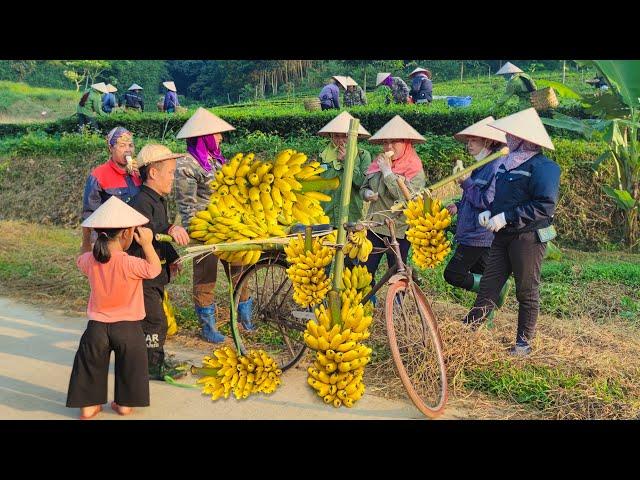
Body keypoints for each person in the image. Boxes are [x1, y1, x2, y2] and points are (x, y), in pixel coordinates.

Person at [463, 108, 561, 357]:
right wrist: (489, 211)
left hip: (527, 238)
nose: (507, 140)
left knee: (526, 291)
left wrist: (507, 216)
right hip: (503, 237)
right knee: (489, 286)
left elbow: (545, 206)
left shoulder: (544, 167)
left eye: (511, 136)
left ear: (524, 138)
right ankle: (466, 334)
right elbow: (501, 199)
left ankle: (523, 343)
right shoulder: (507, 164)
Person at [67, 196, 161, 419]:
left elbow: (81, 257)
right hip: (128, 329)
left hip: (96, 328)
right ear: (128, 234)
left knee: (89, 366)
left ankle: (89, 407)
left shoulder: (91, 260)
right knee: (131, 367)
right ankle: (124, 405)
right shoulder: (129, 263)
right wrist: (147, 244)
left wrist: (84, 239)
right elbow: (154, 270)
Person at [174, 107, 251, 341]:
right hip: (205, 228)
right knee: (206, 276)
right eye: (217, 134)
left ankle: (245, 320)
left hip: (227, 225)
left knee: (239, 269)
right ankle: (208, 327)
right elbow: (186, 204)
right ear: (204, 135)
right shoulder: (187, 164)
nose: (220, 138)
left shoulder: (216, 159)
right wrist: (196, 231)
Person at [127, 144, 190, 381]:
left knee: (154, 319)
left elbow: (160, 237)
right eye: (171, 172)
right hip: (143, 274)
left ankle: (154, 358)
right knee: (155, 321)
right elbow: (147, 231)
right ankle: (152, 366)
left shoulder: (157, 200)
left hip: (155, 272)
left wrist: (172, 257)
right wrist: (170, 228)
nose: (173, 177)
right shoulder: (141, 202)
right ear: (153, 173)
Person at [443, 117, 509, 319]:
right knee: (488, 277)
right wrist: (458, 204)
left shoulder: (495, 166)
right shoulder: (481, 166)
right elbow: (474, 199)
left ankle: (497, 290)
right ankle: (483, 319)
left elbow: (488, 201)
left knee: (454, 274)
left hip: (479, 234)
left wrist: (466, 183)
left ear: (488, 142)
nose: (469, 144)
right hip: (474, 232)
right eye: (468, 140)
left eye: (474, 140)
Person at [361, 115, 427, 301]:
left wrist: (388, 173)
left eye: (394, 142)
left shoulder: (415, 169)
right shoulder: (378, 163)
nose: (389, 147)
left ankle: (398, 308)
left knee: (397, 271)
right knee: (366, 270)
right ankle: (367, 304)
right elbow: (364, 187)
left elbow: (406, 198)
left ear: (406, 143)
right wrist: (366, 194)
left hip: (399, 229)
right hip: (375, 226)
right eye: (386, 142)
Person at [81, 127, 142, 253]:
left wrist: (143, 174)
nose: (128, 150)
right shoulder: (98, 175)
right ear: (111, 148)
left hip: (137, 239)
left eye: (131, 145)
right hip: (112, 243)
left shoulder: (138, 173)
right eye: (122, 145)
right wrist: (94, 245)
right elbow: (90, 214)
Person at [316, 111, 372, 230]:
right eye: (337, 136)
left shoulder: (363, 156)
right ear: (331, 136)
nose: (341, 141)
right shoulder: (323, 155)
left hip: (351, 216)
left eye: (345, 136)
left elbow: (362, 183)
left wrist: (347, 161)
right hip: (326, 216)